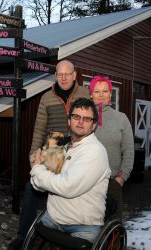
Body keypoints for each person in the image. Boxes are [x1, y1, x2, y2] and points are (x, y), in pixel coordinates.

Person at [8, 60, 89, 250]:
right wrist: (32, 157)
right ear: (55, 76)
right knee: (32, 188)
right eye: (60, 74)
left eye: (67, 74)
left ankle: (66, 235)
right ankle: (23, 235)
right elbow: (39, 129)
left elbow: (92, 123)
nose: (63, 78)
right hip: (52, 150)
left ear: (74, 75)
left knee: (70, 191)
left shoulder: (85, 94)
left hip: (78, 150)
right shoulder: (46, 97)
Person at [30, 97, 111, 243]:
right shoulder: (59, 145)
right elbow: (37, 185)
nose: (80, 122)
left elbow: (67, 187)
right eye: (76, 117)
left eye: (87, 119)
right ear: (69, 121)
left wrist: (37, 170)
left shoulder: (95, 151)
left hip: (82, 226)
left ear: (94, 125)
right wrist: (39, 174)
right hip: (54, 217)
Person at [89, 75, 134, 220]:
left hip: (112, 182)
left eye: (105, 91)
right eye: (97, 91)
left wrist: (122, 177)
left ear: (110, 94)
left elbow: (128, 150)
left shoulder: (121, 118)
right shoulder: (84, 117)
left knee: (112, 225)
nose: (101, 95)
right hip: (87, 181)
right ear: (91, 95)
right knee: (89, 223)